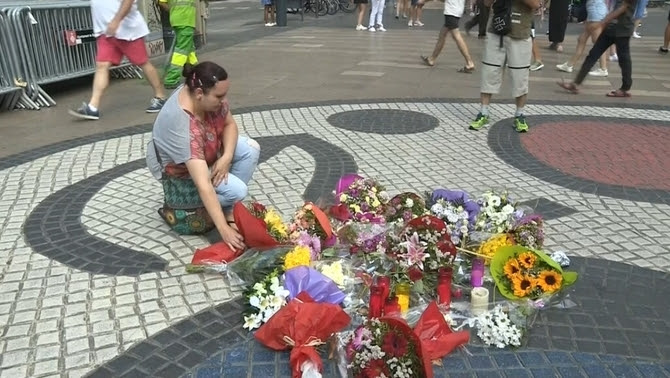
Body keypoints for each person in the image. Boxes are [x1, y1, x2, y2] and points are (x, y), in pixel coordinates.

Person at [146, 61, 260, 251]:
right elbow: (203, 184)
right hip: (176, 168)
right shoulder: (184, 127)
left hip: (203, 147)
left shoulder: (199, 90)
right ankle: (215, 206)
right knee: (238, 191)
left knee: (251, 149)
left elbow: (230, 125)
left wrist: (226, 158)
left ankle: (228, 206)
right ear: (199, 94)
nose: (224, 101)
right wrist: (224, 229)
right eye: (219, 96)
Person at [69, 0, 166, 120]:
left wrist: (116, 21)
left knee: (143, 62)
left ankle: (160, 96)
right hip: (106, 32)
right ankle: (93, 107)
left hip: (127, 30)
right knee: (102, 66)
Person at [469, 0, 539, 133]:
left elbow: (536, 4)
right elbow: (487, 3)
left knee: (520, 77)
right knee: (489, 73)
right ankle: (483, 112)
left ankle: (519, 115)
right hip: (496, 31)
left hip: (521, 34)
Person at [557, 0, 636, 97]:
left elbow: (622, 7)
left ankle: (625, 88)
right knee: (593, 55)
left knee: (624, 59)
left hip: (622, 29)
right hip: (611, 28)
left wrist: (603, 22)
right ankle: (575, 83)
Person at [556, 0, 609, 76]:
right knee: (582, 39)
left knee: (597, 42)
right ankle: (569, 65)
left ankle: (603, 68)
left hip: (596, 10)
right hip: (593, 10)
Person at [420, 0, 476, 72]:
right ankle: (432, 58)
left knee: (456, 36)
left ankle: (469, 62)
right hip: (457, 9)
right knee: (442, 34)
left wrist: (424, 1)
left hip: (451, 11)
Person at [159, 0, 199, 89]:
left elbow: (162, 2)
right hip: (186, 20)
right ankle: (171, 79)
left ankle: (194, 71)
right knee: (181, 50)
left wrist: (175, 11)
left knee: (189, 47)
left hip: (176, 19)